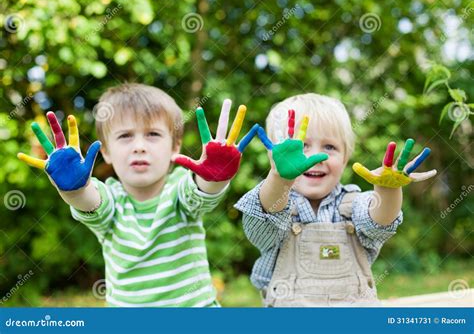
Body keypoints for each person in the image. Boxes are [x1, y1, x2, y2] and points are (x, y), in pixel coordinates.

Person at [18, 83, 258, 307]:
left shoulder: (178, 191)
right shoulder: (110, 198)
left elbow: (200, 193)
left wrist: (214, 177)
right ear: (106, 151)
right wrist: (76, 189)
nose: (139, 146)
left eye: (153, 134)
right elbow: (91, 203)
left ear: (175, 147)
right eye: (125, 136)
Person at [234, 93, 437, 307]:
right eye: (301, 146)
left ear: (345, 158)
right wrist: (280, 178)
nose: (315, 157)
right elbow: (262, 223)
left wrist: (388, 190)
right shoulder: (277, 203)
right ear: (274, 157)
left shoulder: (352, 204)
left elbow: (380, 222)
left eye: (329, 147)